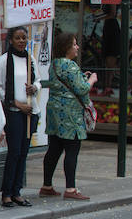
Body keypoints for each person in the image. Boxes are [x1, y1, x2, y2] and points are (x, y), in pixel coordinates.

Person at [41, 31, 98, 201]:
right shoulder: (70, 65)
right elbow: (82, 89)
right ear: (67, 48)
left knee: (54, 148)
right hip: (70, 114)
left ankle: (47, 185)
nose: (77, 47)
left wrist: (81, 78)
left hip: (55, 112)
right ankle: (71, 188)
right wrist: (92, 79)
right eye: (74, 44)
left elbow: (65, 84)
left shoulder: (55, 64)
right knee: (72, 149)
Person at [0, 26, 41, 208]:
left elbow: (37, 80)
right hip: (14, 112)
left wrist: (34, 88)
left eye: (24, 38)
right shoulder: (4, 61)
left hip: (30, 112)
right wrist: (16, 103)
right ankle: (6, 193)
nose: (21, 41)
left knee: (23, 153)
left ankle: (17, 191)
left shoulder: (30, 60)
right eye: (18, 38)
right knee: (13, 152)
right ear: (11, 40)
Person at [101, 4, 120, 90]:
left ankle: (108, 85)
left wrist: (98, 18)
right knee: (108, 60)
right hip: (107, 26)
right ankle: (107, 85)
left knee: (110, 58)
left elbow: (112, 14)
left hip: (111, 27)